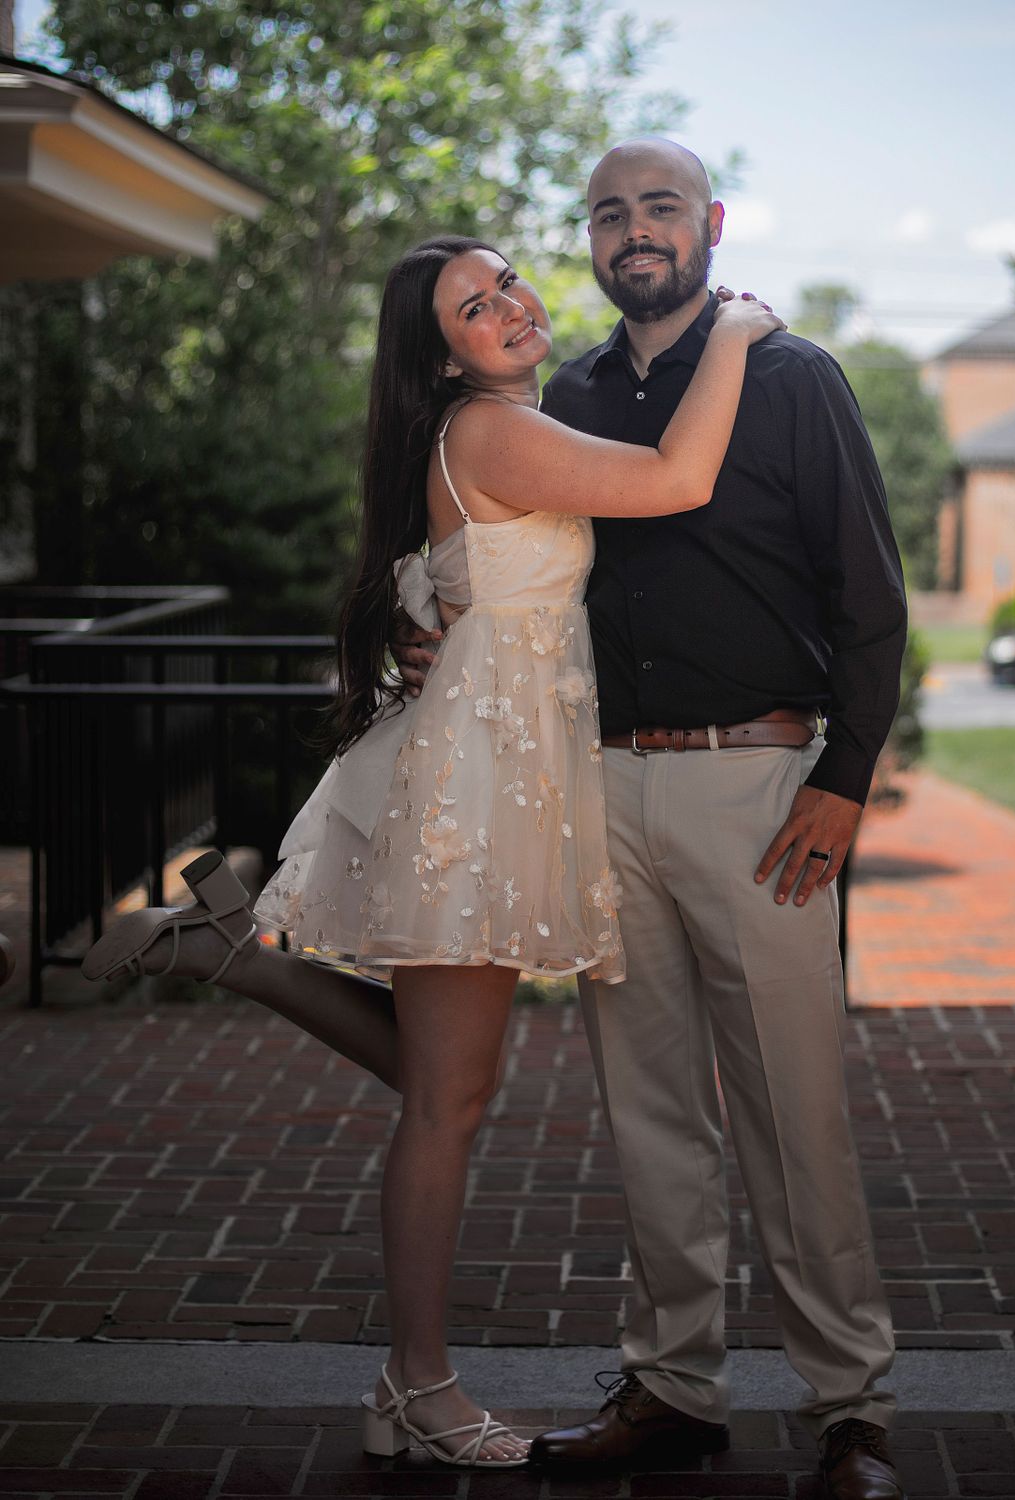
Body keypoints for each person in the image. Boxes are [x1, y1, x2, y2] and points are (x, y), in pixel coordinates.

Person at [81, 234, 781, 1469]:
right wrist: (732, 327)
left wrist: (417, 610)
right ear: (439, 348)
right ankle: (416, 1388)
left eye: (507, 280)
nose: (508, 307)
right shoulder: (489, 431)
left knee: (445, 1085)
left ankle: (231, 948)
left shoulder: (491, 427)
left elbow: (455, 575)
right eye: (473, 305)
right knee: (446, 1105)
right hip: (479, 787)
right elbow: (678, 479)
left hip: (493, 770)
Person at [399, 139, 909, 1500]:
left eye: (661, 208)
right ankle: (675, 1384)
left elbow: (871, 595)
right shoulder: (558, 394)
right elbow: (515, 569)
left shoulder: (791, 377)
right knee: (651, 1107)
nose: (637, 232)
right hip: (602, 783)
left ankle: (850, 1407)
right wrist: (424, 626)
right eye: (611, 213)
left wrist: (847, 778)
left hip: (760, 787)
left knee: (796, 1109)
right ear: (592, 236)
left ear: (709, 225)